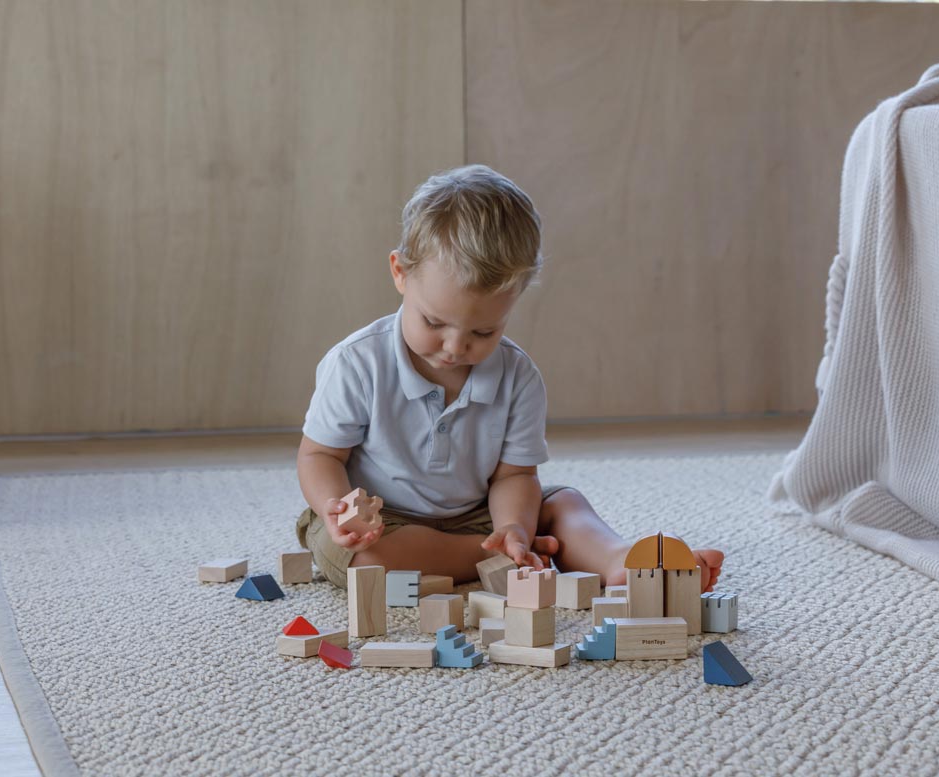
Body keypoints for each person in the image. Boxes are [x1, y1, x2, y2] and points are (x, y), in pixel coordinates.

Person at [295, 164, 724, 590]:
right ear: (400, 273)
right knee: (363, 559)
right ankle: (504, 558)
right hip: (384, 523)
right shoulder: (357, 363)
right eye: (434, 322)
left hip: (480, 515)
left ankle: (618, 561)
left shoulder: (518, 377)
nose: (455, 347)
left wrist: (513, 526)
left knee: (562, 503)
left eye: (483, 332)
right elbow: (320, 456)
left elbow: (513, 477)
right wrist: (335, 507)